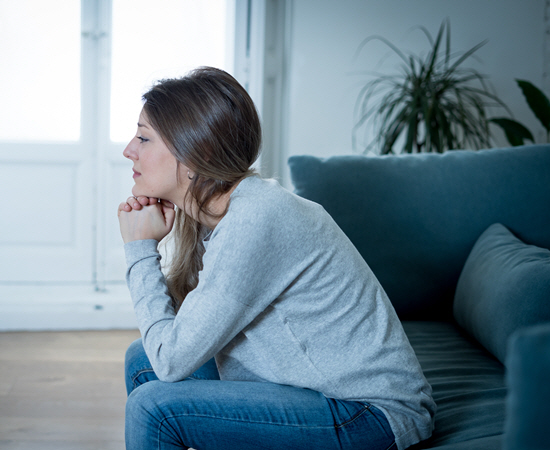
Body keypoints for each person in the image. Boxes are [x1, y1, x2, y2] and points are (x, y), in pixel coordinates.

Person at [117, 67, 435, 450]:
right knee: (142, 360)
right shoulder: (219, 213)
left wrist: (139, 249)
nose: (128, 150)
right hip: (310, 389)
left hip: (370, 413)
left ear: (193, 154)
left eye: (144, 138)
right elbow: (180, 341)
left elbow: (172, 359)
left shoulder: (256, 218)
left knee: (154, 409)